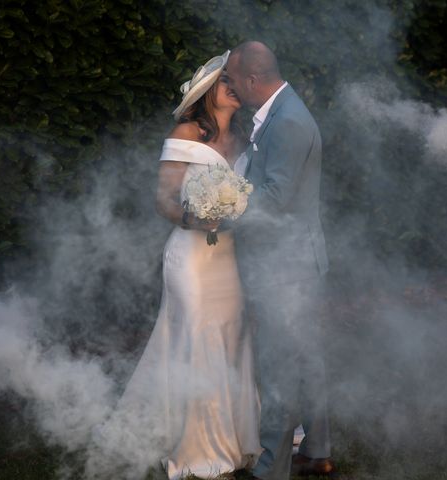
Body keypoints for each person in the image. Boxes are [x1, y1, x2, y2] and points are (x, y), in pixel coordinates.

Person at [92, 50, 262, 480]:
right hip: (189, 257)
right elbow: (163, 199)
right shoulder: (187, 131)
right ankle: (199, 447)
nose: (234, 88)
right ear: (207, 93)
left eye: (236, 82)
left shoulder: (245, 141)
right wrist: (194, 216)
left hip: (228, 258)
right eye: (226, 83)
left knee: (233, 336)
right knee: (197, 338)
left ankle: (236, 435)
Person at [225, 41, 334, 480]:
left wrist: (221, 212)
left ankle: (271, 469)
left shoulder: (287, 121)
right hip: (297, 259)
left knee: (278, 366)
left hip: (286, 267)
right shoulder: (281, 110)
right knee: (306, 358)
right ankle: (319, 449)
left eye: (232, 78)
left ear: (253, 79)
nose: (229, 85)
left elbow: (273, 200)